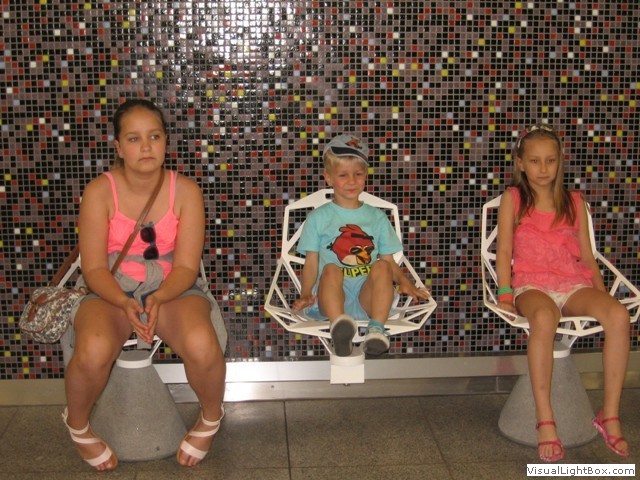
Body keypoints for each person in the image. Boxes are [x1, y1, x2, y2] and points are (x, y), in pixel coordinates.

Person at [62, 99, 226, 470]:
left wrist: (158, 298)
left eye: (154, 137)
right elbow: (94, 268)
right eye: (134, 139)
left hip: (172, 288)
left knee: (201, 342)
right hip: (110, 289)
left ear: (166, 141)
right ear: (119, 147)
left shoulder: (185, 191)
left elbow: (186, 266)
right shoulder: (99, 192)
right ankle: (78, 426)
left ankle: (211, 417)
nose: (146, 146)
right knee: (93, 348)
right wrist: (124, 302)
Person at [495, 123, 630, 462]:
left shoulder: (574, 202)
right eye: (535, 161)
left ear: (560, 162)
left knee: (617, 315)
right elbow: (504, 251)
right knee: (544, 317)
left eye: (550, 160)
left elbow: (587, 255)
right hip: (531, 284)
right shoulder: (513, 199)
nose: (543, 168)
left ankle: (609, 414)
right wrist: (506, 292)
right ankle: (545, 419)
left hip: (572, 283)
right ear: (521, 163)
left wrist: (600, 293)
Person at [291, 134, 430, 356]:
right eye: (343, 175)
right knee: (331, 269)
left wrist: (405, 282)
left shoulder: (377, 217)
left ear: (366, 175)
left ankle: (376, 329)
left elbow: (388, 262)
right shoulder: (318, 218)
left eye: (358, 174)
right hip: (331, 296)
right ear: (328, 178)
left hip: (369, 296)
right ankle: (339, 327)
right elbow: (311, 263)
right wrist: (306, 293)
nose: (352, 181)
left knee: (381, 266)